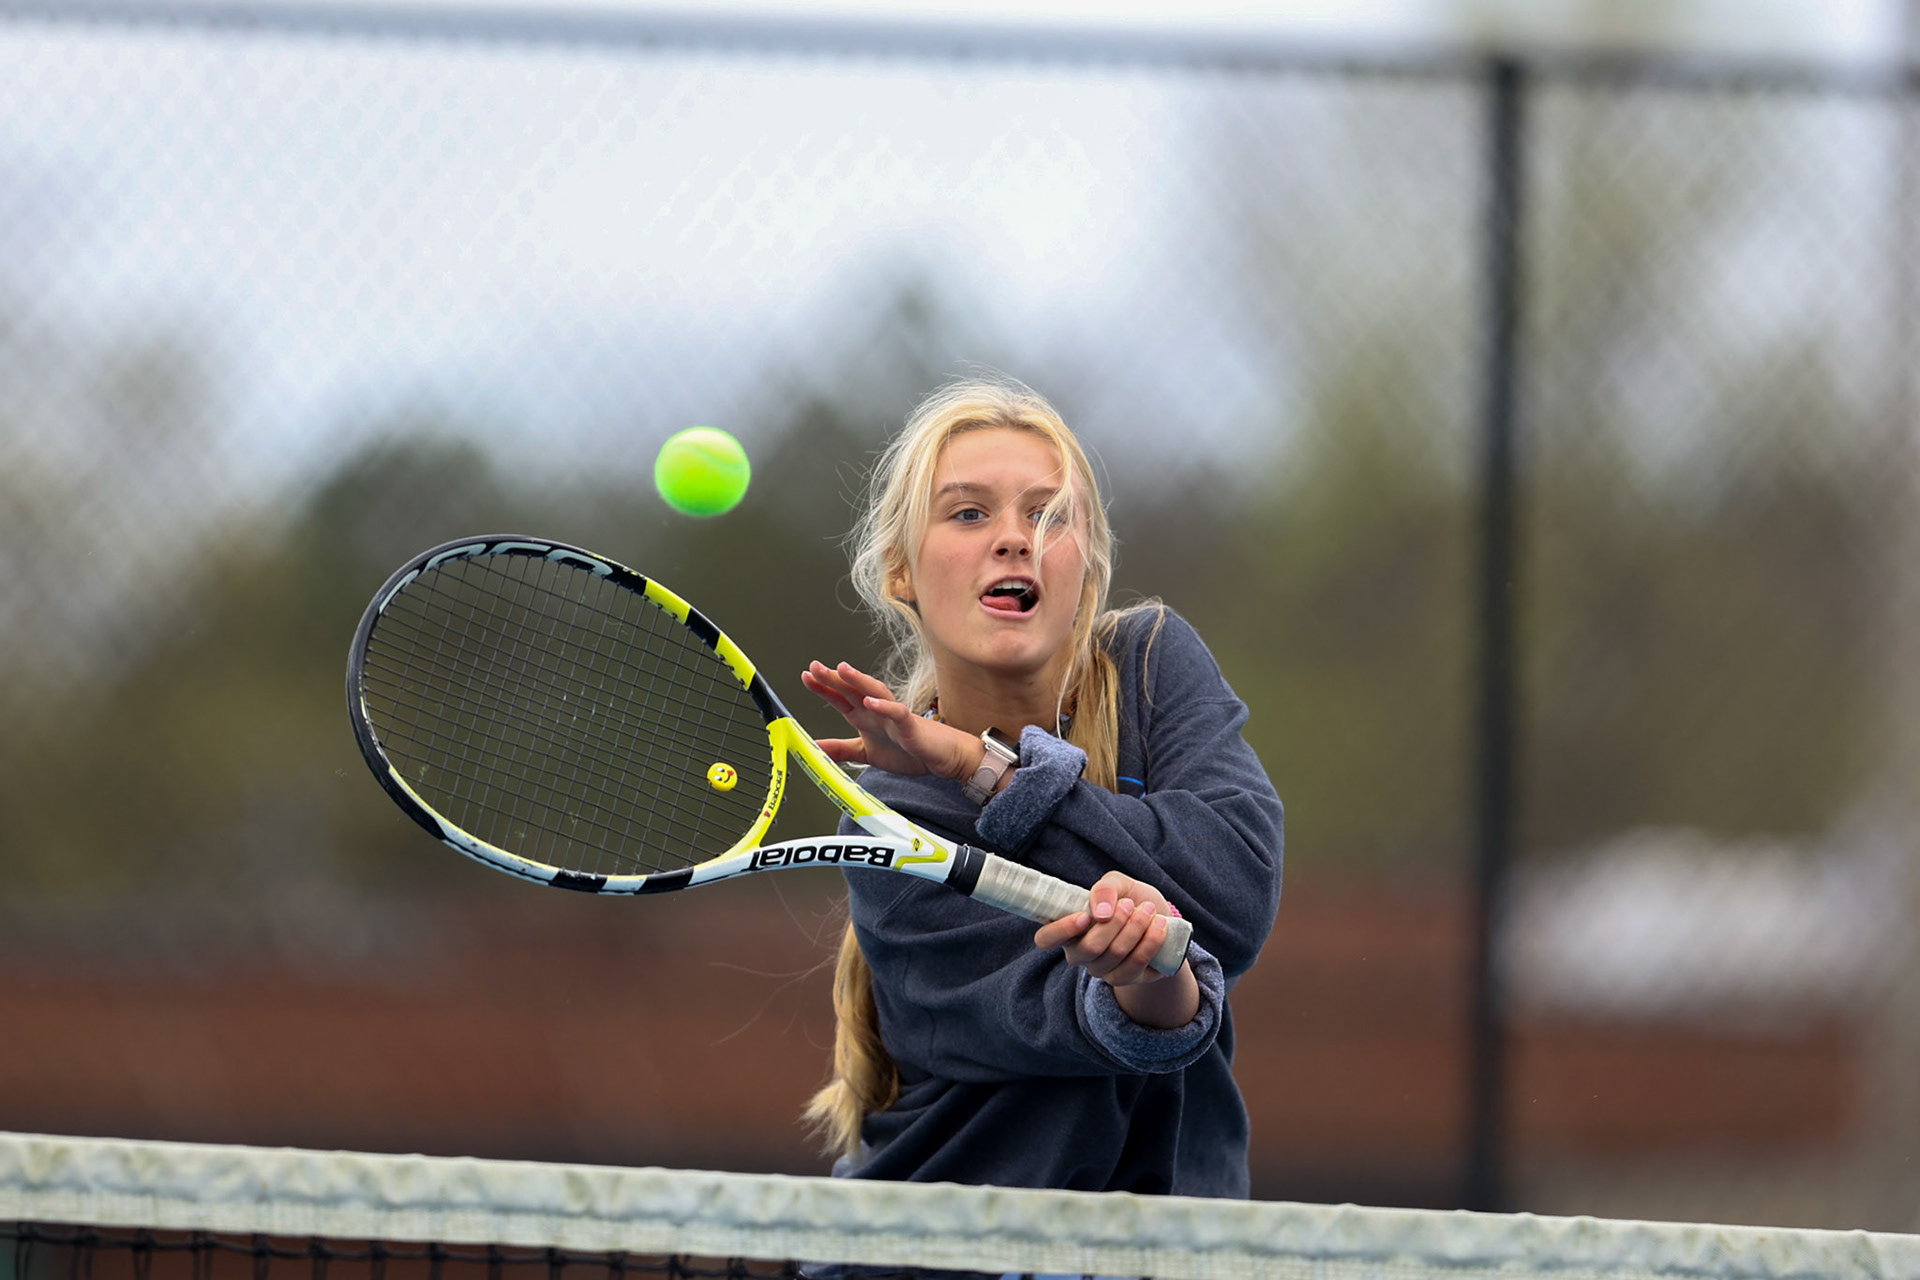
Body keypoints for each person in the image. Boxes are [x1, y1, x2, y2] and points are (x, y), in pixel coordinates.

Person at [799, 376, 1284, 1198]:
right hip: (940, 1253)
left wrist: (983, 770)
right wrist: (1147, 974)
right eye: (968, 513)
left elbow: (1233, 901)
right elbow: (1069, 1018)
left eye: (1048, 515)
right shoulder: (895, 818)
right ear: (901, 571)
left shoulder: (1153, 665)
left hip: (1175, 1251)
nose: (1016, 538)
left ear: (1086, 565)